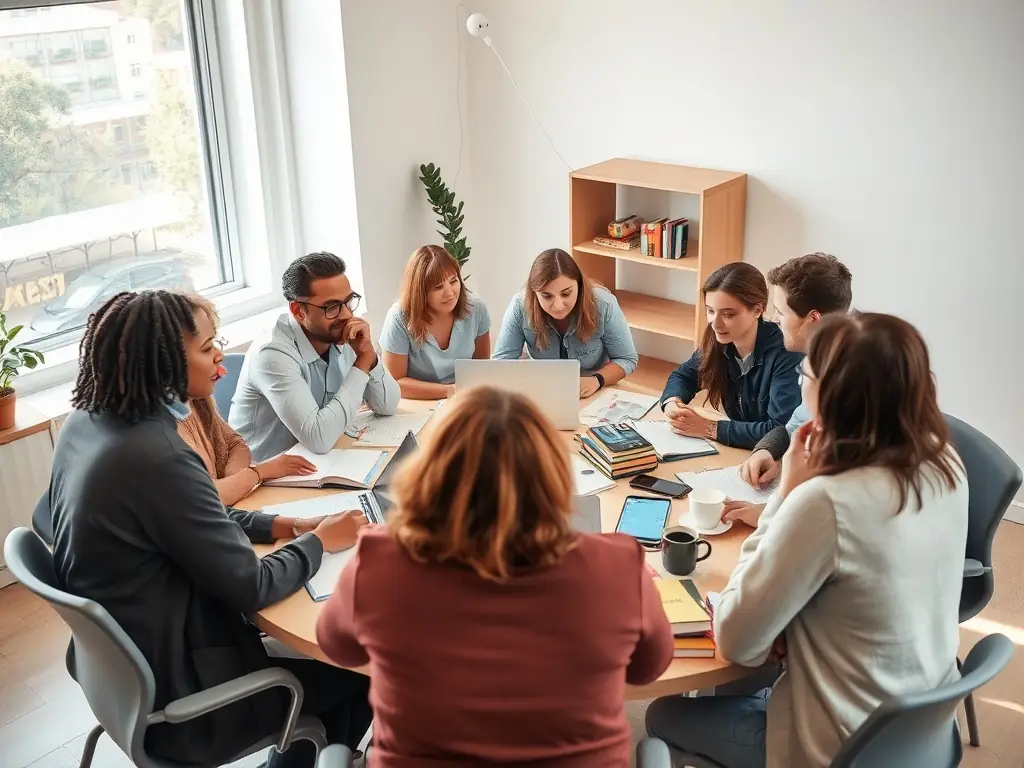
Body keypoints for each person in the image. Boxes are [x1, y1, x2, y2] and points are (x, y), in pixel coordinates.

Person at [48, 290, 372, 768]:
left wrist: (284, 524)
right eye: (206, 347)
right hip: (185, 695)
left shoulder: (91, 421)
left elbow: (187, 514)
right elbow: (253, 585)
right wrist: (318, 542)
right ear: (162, 363)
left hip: (126, 672)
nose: (219, 354)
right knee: (361, 676)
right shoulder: (158, 455)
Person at [646, 312, 968, 768]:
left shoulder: (827, 502)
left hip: (835, 744)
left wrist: (788, 493)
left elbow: (736, 639)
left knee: (664, 713)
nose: (801, 382)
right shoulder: (945, 463)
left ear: (831, 395)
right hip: (919, 729)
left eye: (806, 373)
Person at [315, 386, 674, 766]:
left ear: (433, 471)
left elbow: (338, 647)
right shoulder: (616, 566)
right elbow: (648, 667)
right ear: (552, 476)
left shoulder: (379, 560)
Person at [229, 252, 400, 461]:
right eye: (332, 307)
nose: (346, 314)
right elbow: (319, 439)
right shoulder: (272, 354)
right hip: (267, 479)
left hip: (323, 461)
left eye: (348, 302)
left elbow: (388, 406)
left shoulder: (341, 333)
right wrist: (361, 364)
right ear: (298, 311)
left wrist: (368, 354)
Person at [725, 253, 853, 527]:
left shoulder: (848, 384)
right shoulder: (818, 359)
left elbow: (826, 506)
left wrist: (771, 515)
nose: (775, 319)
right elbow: (795, 423)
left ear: (813, 319)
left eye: (781, 312)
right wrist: (767, 451)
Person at [176, 294, 318, 505]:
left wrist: (234, 484)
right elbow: (207, 497)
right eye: (207, 348)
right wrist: (257, 474)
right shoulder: (162, 432)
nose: (218, 355)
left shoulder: (198, 400)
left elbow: (235, 444)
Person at [660, 262, 802, 450]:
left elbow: (780, 431)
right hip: (737, 449)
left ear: (757, 310)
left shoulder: (786, 353)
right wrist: (672, 403)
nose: (715, 324)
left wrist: (709, 428)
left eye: (728, 314)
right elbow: (683, 376)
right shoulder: (718, 339)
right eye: (711, 311)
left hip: (773, 457)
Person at [493, 248, 639, 398]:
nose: (558, 305)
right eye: (546, 296)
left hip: (594, 392)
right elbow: (502, 362)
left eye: (566, 293)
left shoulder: (604, 304)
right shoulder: (520, 306)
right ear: (534, 293)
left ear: (579, 285)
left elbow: (626, 359)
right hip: (542, 391)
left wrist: (597, 380)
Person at [379, 244, 491, 399]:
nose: (450, 293)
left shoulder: (476, 308)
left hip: (464, 399)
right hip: (416, 402)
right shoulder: (399, 317)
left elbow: (483, 368)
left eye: (453, 281)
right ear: (420, 293)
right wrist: (449, 391)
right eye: (438, 287)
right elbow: (395, 382)